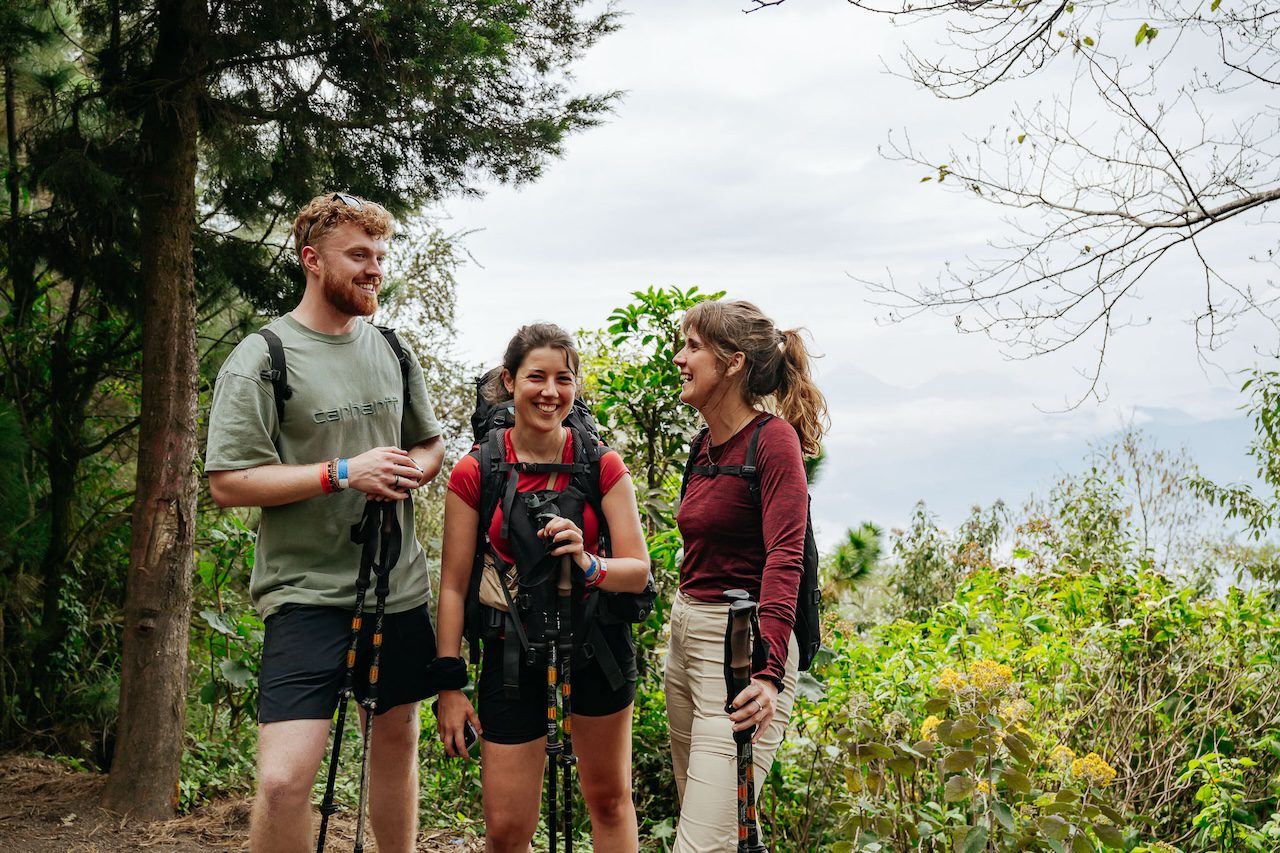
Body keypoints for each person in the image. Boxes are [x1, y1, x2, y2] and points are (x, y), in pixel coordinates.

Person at [205, 192, 445, 853]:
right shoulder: (264, 357)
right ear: (312, 261)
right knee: (283, 780)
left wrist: (412, 470)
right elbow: (228, 481)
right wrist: (342, 473)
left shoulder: (392, 349)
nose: (374, 269)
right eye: (358, 256)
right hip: (304, 592)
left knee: (395, 744)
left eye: (380, 256)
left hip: (396, 588)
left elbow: (428, 443)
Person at [434, 323, 650, 853]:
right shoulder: (475, 471)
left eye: (563, 378)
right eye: (536, 377)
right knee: (507, 830)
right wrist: (449, 686)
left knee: (609, 801)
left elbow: (638, 570)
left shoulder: (601, 464)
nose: (550, 392)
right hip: (511, 653)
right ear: (510, 382)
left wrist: (588, 564)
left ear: (575, 386)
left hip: (597, 643)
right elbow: (453, 587)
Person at [665, 298, 829, 852]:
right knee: (708, 823)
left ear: (733, 363)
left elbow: (786, 557)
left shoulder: (773, 441)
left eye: (692, 347)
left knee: (701, 844)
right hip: (686, 640)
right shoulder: (703, 445)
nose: (679, 358)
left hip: (742, 652)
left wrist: (768, 672)